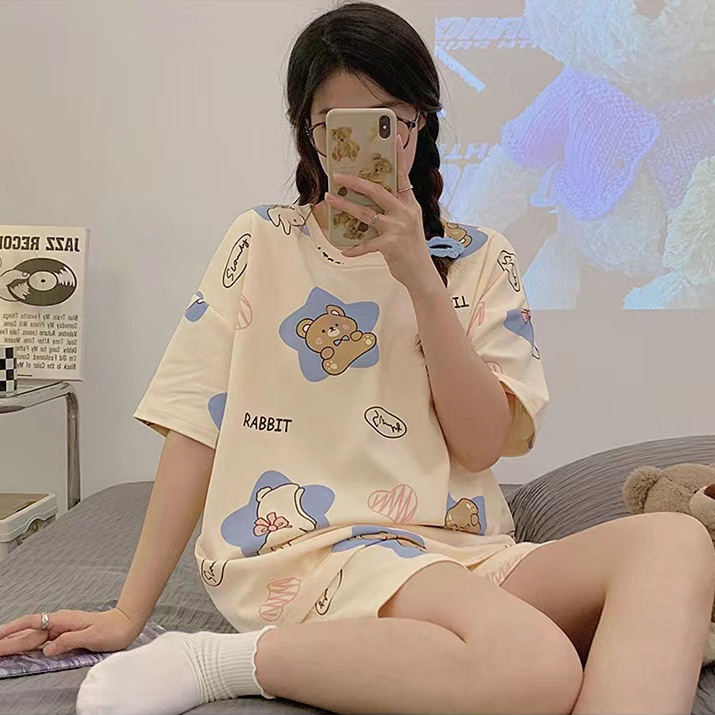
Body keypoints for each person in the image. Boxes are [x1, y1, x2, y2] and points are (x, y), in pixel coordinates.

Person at [1, 3, 713, 714]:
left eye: (389, 120)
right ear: (308, 134)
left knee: (675, 540)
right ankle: (217, 660)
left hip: (462, 553)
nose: (368, 143)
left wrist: (421, 280)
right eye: (336, 125)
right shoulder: (261, 241)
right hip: (314, 550)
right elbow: (195, 426)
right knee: (536, 664)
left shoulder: (480, 256)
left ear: (420, 123)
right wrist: (129, 612)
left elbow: (478, 444)